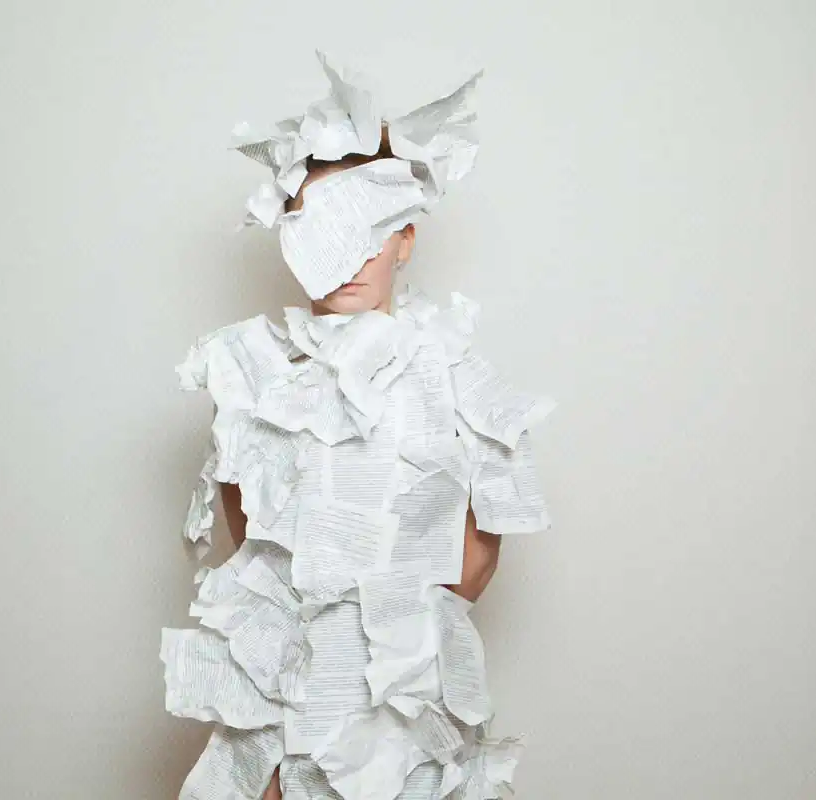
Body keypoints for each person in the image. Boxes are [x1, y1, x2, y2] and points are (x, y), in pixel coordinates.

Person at [162, 53, 553, 799]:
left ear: (406, 239)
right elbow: (253, 542)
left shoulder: (457, 377)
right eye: (319, 228)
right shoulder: (251, 377)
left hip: (404, 704)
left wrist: (385, 663)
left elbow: (474, 561)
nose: (344, 256)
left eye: (368, 229)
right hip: (283, 694)